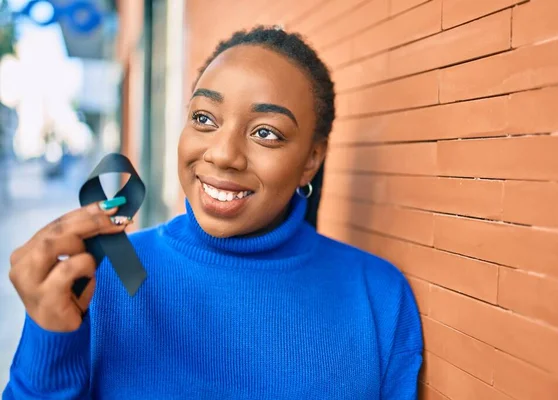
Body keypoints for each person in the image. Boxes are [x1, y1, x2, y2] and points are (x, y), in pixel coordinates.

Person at [3, 26, 423, 399]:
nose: (222, 155)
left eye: (266, 133)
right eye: (204, 118)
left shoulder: (377, 297)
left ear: (311, 160)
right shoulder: (103, 275)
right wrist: (50, 338)